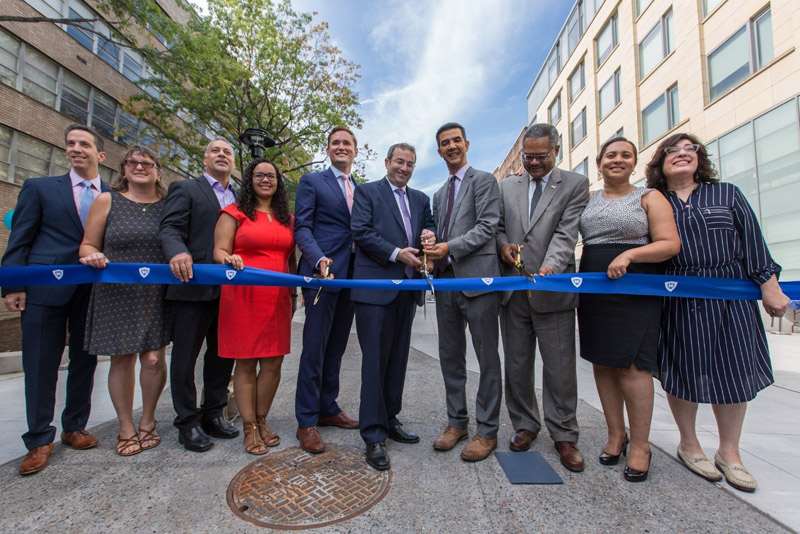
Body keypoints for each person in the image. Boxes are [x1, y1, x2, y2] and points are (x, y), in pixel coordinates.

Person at [645, 133, 789, 492]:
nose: (681, 154)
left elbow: (753, 241)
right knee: (684, 368)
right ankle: (689, 444)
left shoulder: (727, 194)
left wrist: (769, 284)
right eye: (672, 151)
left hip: (729, 293)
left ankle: (730, 453)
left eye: (689, 149)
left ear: (700, 158)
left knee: (734, 369)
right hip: (678, 295)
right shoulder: (653, 199)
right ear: (660, 163)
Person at [1, 124, 108, 475]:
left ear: (99, 154)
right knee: (40, 364)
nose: (76, 149)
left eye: (84, 144)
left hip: (91, 291)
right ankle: (38, 440)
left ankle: (74, 426)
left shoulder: (110, 195)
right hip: (45, 289)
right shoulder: (40, 188)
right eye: (71, 144)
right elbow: (20, 239)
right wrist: (13, 285)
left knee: (84, 360)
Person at [578, 137, 680, 482]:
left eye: (625, 155)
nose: (617, 160)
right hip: (595, 289)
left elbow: (669, 244)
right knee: (603, 363)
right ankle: (615, 434)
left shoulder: (649, 197)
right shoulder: (589, 200)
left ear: (634, 163)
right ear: (599, 163)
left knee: (633, 368)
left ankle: (640, 445)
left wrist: (630, 255)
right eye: (610, 155)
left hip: (633, 287)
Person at [496, 123, 590, 472]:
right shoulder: (506, 186)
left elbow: (567, 233)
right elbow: (499, 225)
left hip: (553, 290)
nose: (533, 162)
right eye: (528, 156)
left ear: (556, 152)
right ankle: (525, 424)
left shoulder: (575, 184)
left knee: (560, 369)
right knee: (517, 366)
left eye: (540, 156)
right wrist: (503, 244)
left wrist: (550, 268)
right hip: (513, 292)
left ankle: (564, 434)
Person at [79, 146, 172, 456]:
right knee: (122, 359)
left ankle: (148, 420)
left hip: (155, 292)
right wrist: (90, 255)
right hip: (116, 290)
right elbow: (87, 244)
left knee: (154, 359)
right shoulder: (107, 200)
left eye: (147, 162)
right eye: (133, 162)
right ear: (123, 169)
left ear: (158, 171)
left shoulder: (167, 206)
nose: (139, 166)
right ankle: (125, 426)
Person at [350, 143, 437, 470]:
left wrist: (429, 235)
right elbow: (360, 231)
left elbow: (430, 228)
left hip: (407, 290)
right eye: (399, 162)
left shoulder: (420, 199)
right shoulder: (367, 192)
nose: (404, 168)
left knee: (398, 359)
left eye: (410, 164)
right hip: (374, 289)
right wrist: (396, 253)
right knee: (375, 361)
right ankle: (372, 435)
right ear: (387, 162)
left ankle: (389, 419)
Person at [423, 122, 503, 462]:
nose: (452, 146)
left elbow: (488, 227)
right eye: (445, 143)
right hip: (445, 284)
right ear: (439, 151)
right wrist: (431, 247)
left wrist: (449, 247)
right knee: (450, 357)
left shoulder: (484, 181)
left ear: (467, 144)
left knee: (486, 358)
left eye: (457, 140)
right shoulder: (439, 194)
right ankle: (457, 423)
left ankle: (487, 431)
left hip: (479, 281)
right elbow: (440, 233)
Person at [160, 139, 240, 452]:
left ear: (233, 162)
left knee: (222, 356)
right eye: (215, 150)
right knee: (184, 359)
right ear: (204, 158)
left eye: (228, 152)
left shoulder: (239, 198)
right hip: (190, 287)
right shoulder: (185, 188)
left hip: (230, 292)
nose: (222, 155)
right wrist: (178, 252)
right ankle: (187, 421)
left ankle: (213, 414)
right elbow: (169, 229)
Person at [213, 158, 297, 455]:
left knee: (273, 362)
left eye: (271, 176)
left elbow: (291, 258)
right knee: (246, 362)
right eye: (259, 175)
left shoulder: (287, 217)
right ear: (249, 179)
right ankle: (248, 428)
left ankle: (262, 420)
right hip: (243, 295)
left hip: (277, 298)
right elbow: (219, 250)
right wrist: (228, 258)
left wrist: (295, 295)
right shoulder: (234, 213)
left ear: (278, 182)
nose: (265, 180)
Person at [293, 126, 360, 453]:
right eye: (335, 142)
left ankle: (327, 408)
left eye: (347, 143)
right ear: (328, 148)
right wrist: (318, 258)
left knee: (336, 348)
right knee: (315, 348)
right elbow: (302, 227)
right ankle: (306, 420)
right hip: (322, 276)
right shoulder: (312, 182)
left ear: (355, 151)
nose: (341, 147)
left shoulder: (361, 189)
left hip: (351, 279)